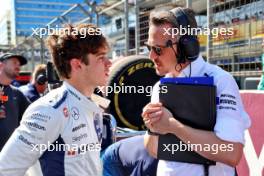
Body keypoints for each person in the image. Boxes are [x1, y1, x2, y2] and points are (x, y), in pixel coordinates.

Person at [142, 7, 251, 176]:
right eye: (149, 47)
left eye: (158, 49)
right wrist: (152, 127)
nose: (151, 56)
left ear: (187, 46)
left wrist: (172, 126)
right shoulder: (159, 86)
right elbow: (154, 151)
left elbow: (231, 153)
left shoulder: (221, 81)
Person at [0, 23, 112, 176]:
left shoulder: (93, 103)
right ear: (77, 64)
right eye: (101, 57)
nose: (109, 63)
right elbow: (5, 169)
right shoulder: (49, 110)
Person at [0, 53, 30, 151]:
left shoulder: (17, 94)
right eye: (14, 62)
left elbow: (34, 114)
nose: (18, 66)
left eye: (19, 64)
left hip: (8, 157)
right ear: (1, 65)